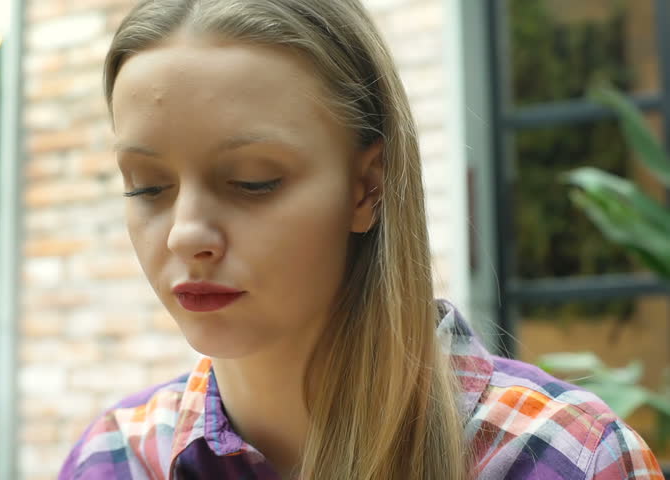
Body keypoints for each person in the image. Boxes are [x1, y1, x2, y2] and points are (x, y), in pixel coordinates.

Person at [58, 0, 663, 478]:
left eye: (252, 181)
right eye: (146, 187)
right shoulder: (115, 460)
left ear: (366, 188)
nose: (187, 234)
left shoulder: (567, 460)